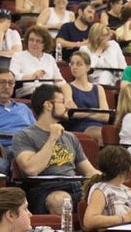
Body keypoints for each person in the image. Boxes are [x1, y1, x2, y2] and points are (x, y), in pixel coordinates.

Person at [13, 85, 98, 214]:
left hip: (76, 187)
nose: (68, 106)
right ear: (48, 105)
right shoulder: (24, 136)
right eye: (63, 101)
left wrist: (111, 183)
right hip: (47, 190)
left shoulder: (70, 137)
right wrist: (52, 138)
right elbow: (31, 169)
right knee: (61, 200)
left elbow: (89, 171)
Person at [9, 25, 72, 100]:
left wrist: (69, 99)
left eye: (38, 41)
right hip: (29, 93)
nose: (34, 43)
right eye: (31, 40)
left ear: (45, 44)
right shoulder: (18, 56)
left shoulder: (50, 58)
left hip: (50, 93)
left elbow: (60, 81)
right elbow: (12, 76)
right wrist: (31, 76)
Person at [66, 50, 110, 138]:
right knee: (101, 134)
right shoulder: (67, 87)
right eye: (72, 64)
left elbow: (105, 116)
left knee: (110, 133)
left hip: (98, 126)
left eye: (79, 64)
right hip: (78, 126)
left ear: (88, 67)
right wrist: (95, 111)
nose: (74, 67)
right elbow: (73, 113)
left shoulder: (99, 89)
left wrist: (83, 112)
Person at [85, 21, 126, 87]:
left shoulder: (114, 45)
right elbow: (88, 67)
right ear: (95, 37)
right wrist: (99, 49)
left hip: (114, 79)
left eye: (107, 35)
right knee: (105, 75)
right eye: (103, 36)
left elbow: (123, 66)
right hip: (93, 80)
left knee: (106, 74)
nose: (106, 39)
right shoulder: (85, 49)